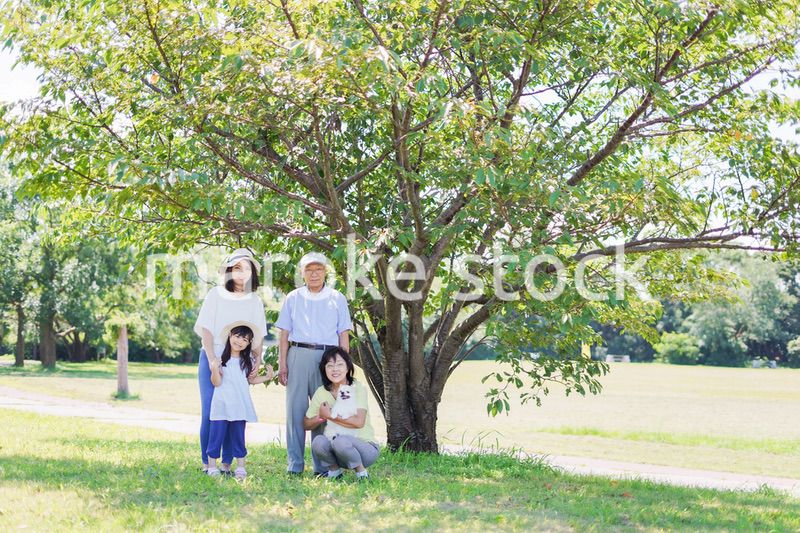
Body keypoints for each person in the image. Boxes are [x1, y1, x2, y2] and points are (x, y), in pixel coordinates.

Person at [275, 252, 353, 475]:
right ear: (302, 273)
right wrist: (283, 365)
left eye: (318, 268)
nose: (314, 273)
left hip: (328, 358)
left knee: (322, 411)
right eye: (309, 269)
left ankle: (323, 467)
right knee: (295, 412)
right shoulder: (293, 297)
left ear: (326, 271)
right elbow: (284, 335)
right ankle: (295, 465)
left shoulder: (337, 297)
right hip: (297, 354)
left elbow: (343, 336)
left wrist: (343, 369)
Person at [194, 248, 267, 474]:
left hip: (239, 362)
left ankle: (226, 463)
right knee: (212, 411)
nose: (241, 273)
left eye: (246, 268)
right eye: (236, 268)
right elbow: (206, 330)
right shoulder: (215, 295)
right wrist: (213, 359)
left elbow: (257, 336)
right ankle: (208, 461)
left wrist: (257, 360)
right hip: (213, 357)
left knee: (233, 411)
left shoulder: (254, 301)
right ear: (228, 271)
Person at [306, 347, 379, 480]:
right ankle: (335, 472)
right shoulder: (321, 392)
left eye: (340, 364)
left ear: (347, 368)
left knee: (340, 441)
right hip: (338, 451)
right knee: (318, 441)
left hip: (365, 448)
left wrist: (330, 415)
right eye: (330, 365)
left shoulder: (357, 388)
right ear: (324, 369)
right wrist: (320, 417)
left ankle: (362, 473)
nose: (335, 369)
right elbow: (306, 423)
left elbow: (359, 422)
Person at [207, 321, 269, 479]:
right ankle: (212, 466)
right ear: (230, 336)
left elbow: (250, 380)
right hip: (221, 404)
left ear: (248, 344)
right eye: (237, 336)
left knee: (238, 436)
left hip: (239, 405)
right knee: (217, 435)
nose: (240, 341)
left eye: (245, 339)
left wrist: (267, 377)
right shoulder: (220, 358)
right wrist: (214, 369)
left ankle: (241, 467)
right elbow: (216, 382)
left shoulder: (247, 359)